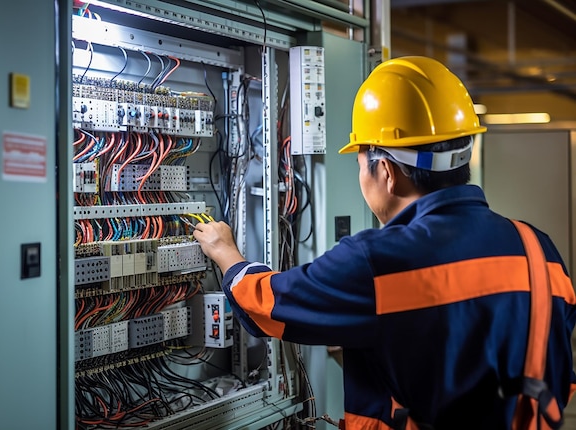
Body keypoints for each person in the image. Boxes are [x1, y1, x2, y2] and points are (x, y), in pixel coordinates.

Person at [193, 56, 576, 429]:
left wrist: (225, 251)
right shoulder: (540, 249)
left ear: (388, 173)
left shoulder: (376, 262)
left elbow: (266, 304)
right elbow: (549, 366)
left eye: (361, 162)